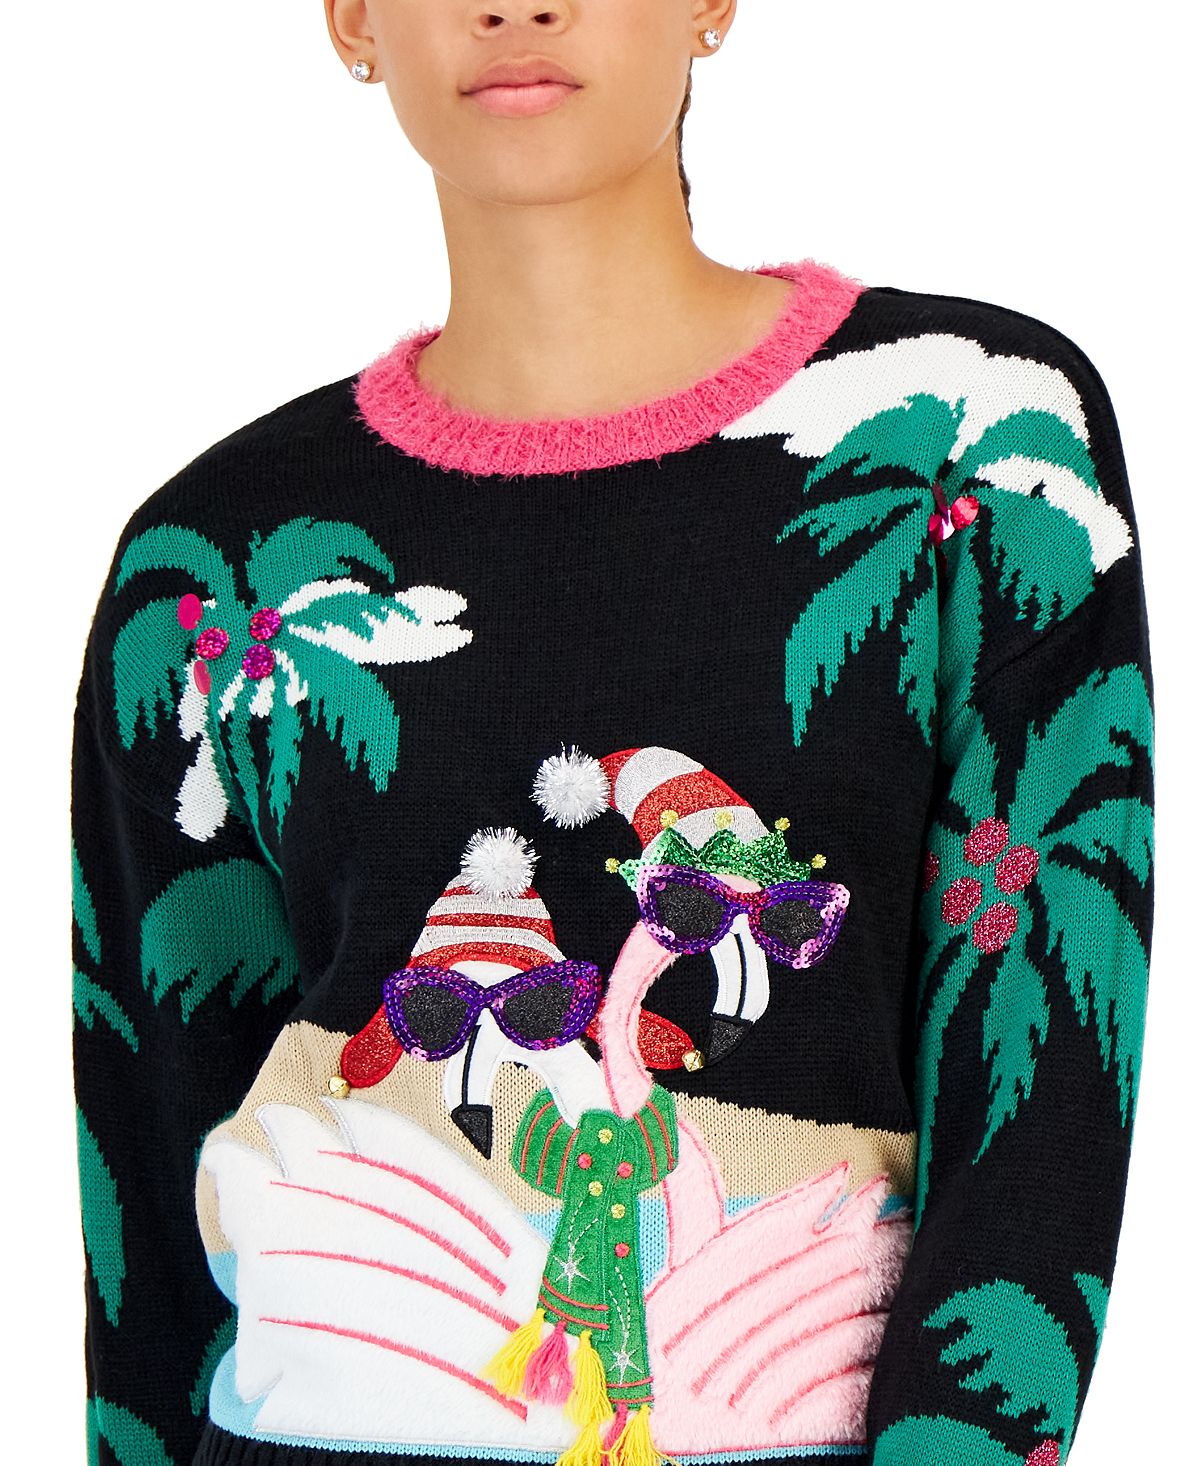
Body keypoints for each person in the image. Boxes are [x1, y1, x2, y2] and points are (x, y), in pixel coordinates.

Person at [70, 4, 1155, 1466]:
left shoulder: (973, 444)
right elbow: (148, 1206)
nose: (516, 4)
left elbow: (1041, 1133)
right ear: (352, 18)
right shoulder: (209, 576)